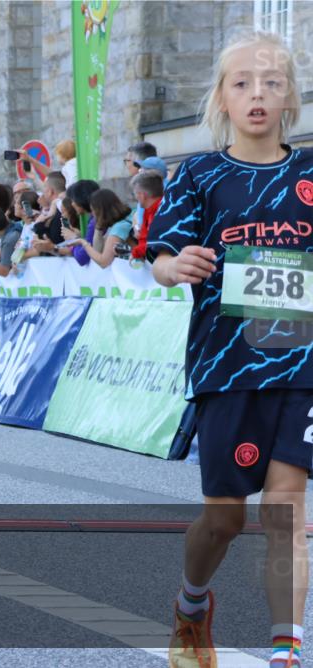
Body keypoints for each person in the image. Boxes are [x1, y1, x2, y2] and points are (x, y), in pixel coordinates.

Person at [147, 32, 309, 668]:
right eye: (242, 83)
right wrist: (174, 264)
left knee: (286, 505)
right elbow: (161, 259)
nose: (258, 94)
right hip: (227, 364)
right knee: (224, 520)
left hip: (304, 362)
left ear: (291, 94)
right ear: (221, 96)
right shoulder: (200, 174)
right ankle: (192, 604)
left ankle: (286, 650)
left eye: (271, 81)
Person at [71, 189, 134, 268]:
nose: (93, 215)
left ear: (100, 211)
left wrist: (83, 243)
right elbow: (98, 250)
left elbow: (103, 262)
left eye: (93, 211)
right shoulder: (125, 219)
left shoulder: (119, 228)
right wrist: (98, 227)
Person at [60, 179, 101, 266]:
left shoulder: (96, 221)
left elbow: (82, 258)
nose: (72, 204)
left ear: (81, 199)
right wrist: (79, 237)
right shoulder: (93, 218)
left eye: (73, 200)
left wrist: (74, 239)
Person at [130, 170, 165, 260]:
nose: (135, 197)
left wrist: (135, 253)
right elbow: (144, 239)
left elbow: (153, 244)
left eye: (135, 194)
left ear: (142, 196)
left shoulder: (162, 212)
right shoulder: (148, 210)